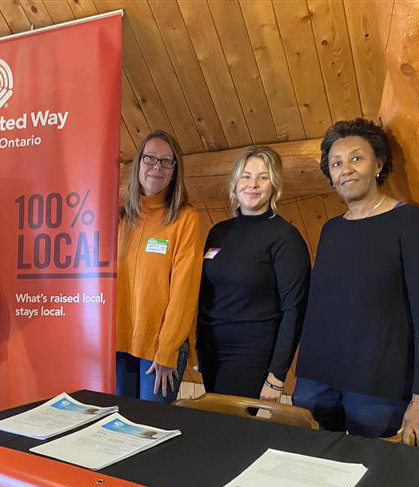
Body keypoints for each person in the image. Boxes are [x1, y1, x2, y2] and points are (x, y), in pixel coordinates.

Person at [294, 118, 419, 447]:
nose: (345, 169)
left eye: (356, 158)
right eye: (336, 163)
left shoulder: (408, 221)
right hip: (316, 380)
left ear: (378, 164)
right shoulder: (331, 229)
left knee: (374, 467)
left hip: (377, 385)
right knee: (314, 463)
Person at [197, 146, 310, 402]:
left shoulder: (285, 238)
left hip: (250, 353)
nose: (253, 184)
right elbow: (204, 294)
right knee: (213, 420)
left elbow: (294, 310)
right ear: (235, 183)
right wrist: (198, 346)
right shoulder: (218, 232)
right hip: (211, 350)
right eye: (246, 176)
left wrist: (277, 376)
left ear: (274, 185)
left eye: (263, 177)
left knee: (229, 422)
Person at [116, 129, 202, 403]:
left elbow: (184, 292)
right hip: (117, 345)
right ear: (138, 163)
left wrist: (167, 350)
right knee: (117, 423)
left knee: (149, 426)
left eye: (166, 161)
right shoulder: (120, 217)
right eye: (150, 158)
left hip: (159, 351)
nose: (157, 167)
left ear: (175, 171)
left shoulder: (185, 218)